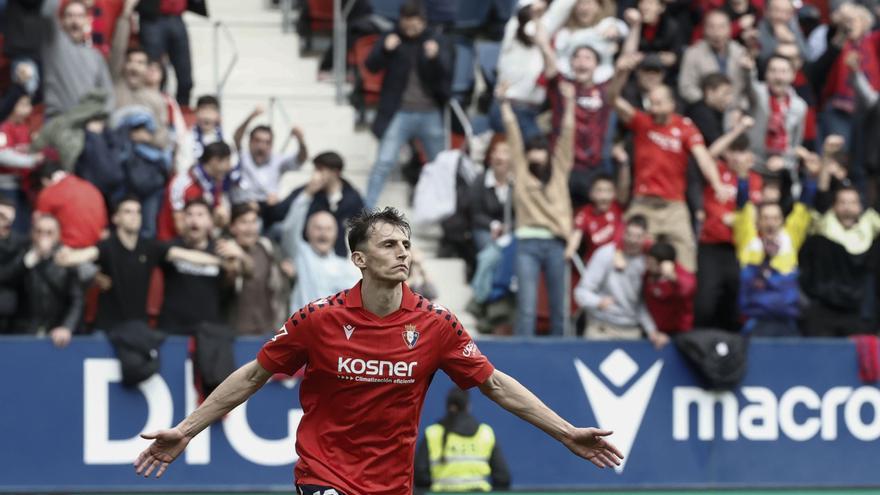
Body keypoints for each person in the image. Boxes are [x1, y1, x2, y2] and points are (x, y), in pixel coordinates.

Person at [134, 207, 624, 495]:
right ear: (360, 259)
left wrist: (565, 433)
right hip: (323, 473)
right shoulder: (319, 318)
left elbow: (495, 384)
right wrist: (185, 429)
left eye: (406, 244)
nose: (403, 252)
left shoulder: (437, 324)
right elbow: (252, 375)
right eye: (389, 245)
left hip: (392, 485)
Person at [612, 52, 732, 273]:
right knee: (626, 259)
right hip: (643, 204)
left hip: (674, 206)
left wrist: (716, 184)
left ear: (671, 103)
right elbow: (612, 100)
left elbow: (703, 157)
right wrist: (620, 73)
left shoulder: (685, 127)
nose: (652, 107)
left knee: (686, 262)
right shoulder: (642, 122)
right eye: (650, 102)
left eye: (658, 102)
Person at [53, 196, 224, 332]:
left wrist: (218, 260)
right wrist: (66, 255)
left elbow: (186, 255)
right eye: (128, 211)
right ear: (116, 218)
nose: (134, 216)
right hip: (107, 328)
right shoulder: (107, 246)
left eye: (138, 212)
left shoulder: (149, 246)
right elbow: (83, 256)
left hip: (138, 329)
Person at [498, 78, 575, 336]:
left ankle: (561, 353)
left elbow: (567, 135)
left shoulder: (559, 169)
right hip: (527, 243)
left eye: (541, 150)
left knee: (559, 308)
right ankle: (524, 356)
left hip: (556, 243)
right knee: (527, 308)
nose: (536, 155)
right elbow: (512, 133)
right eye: (532, 150)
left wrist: (571, 102)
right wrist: (505, 104)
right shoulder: (521, 170)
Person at [363, 1, 453, 208]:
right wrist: (385, 50)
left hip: (430, 112)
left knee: (440, 165)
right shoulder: (392, 37)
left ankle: (447, 210)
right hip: (400, 111)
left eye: (415, 26)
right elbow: (370, 66)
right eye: (407, 26)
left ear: (423, 22)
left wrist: (436, 58)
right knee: (383, 161)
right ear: (401, 22)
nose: (410, 31)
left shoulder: (436, 41)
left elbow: (448, 74)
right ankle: (367, 211)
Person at [733, 163, 815, 337]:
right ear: (758, 222)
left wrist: (811, 176)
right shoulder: (748, 241)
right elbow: (742, 206)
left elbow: (804, 207)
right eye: (766, 218)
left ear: (782, 221)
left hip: (786, 322)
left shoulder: (789, 239)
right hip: (754, 322)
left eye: (775, 218)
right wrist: (742, 177)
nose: (770, 223)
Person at [694, 133, 761, 332]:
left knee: (734, 303)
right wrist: (739, 128)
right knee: (705, 302)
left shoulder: (755, 180)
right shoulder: (716, 171)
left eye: (742, 152)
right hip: (711, 245)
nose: (737, 157)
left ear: (750, 156)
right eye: (733, 151)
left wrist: (737, 220)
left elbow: (750, 213)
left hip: (739, 249)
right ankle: (699, 339)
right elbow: (707, 154)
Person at [574, 215, 668, 348]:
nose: (632, 240)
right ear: (623, 233)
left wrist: (651, 330)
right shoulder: (605, 254)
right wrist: (598, 302)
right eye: (629, 234)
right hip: (601, 328)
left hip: (631, 331)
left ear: (646, 237)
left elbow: (641, 304)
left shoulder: (646, 262)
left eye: (638, 236)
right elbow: (581, 292)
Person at [158, 198, 249, 335]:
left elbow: (242, 273)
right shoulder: (171, 246)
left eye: (200, 215)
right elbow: (172, 254)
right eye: (189, 214)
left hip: (209, 331)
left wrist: (236, 263)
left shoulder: (221, 249)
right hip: (173, 329)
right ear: (183, 220)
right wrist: (219, 262)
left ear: (210, 221)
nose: (194, 220)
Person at [280, 170, 360, 312]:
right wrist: (308, 193)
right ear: (308, 232)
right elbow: (290, 227)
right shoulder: (300, 253)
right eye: (318, 228)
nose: (323, 233)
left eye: (328, 229)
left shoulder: (344, 267)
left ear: (336, 235)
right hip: (302, 330)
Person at [414, 387, 511, 493]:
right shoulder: (485, 433)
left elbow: (419, 476)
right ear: (468, 406)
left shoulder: (432, 433)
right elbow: (503, 477)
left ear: (448, 406)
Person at [279, 152, 365, 258]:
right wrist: (307, 193)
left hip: (338, 257)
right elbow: (279, 213)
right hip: (307, 255)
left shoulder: (352, 198)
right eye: (315, 169)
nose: (316, 175)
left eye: (320, 170)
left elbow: (362, 230)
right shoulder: (307, 190)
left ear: (335, 172)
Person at [109, 0, 169, 149]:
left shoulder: (156, 99)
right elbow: (118, 48)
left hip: (143, 160)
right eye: (130, 61)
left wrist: (149, 138)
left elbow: (164, 138)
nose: (134, 66)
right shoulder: (117, 85)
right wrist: (126, 15)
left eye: (140, 63)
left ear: (147, 70)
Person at [226, 202, 291, 336]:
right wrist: (240, 257)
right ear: (232, 227)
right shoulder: (226, 251)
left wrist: (289, 273)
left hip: (268, 330)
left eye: (254, 222)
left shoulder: (267, 248)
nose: (250, 228)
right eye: (243, 222)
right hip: (235, 333)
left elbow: (280, 287)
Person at [18, 214, 83, 347]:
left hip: (57, 329)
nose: (43, 236)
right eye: (39, 231)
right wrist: (27, 262)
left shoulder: (67, 259)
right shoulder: (22, 255)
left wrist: (67, 327)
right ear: (32, 233)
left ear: (58, 235)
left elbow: (77, 299)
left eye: (49, 232)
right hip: (25, 331)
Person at [41, 0, 115, 117]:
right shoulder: (54, 45)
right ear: (61, 21)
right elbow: (47, 11)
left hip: (87, 122)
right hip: (58, 121)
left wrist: (101, 120)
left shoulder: (96, 56)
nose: (74, 21)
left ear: (87, 20)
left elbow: (108, 94)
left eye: (80, 16)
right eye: (69, 16)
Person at [744, 54, 808, 175]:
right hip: (752, 163)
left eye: (783, 71)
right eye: (773, 71)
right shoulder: (758, 93)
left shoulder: (799, 106)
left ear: (793, 75)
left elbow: (796, 143)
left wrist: (784, 161)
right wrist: (748, 71)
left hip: (781, 168)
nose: (778, 77)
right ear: (766, 74)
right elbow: (748, 86)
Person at [232, 105, 308, 205]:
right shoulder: (243, 156)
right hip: (244, 205)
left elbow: (300, 159)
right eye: (257, 141)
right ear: (250, 141)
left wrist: (300, 140)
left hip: (269, 206)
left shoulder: (278, 160)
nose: (262, 146)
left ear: (272, 145)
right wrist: (251, 116)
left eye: (267, 142)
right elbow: (237, 137)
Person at [157, 141, 233, 241]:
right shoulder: (182, 183)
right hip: (172, 242)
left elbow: (214, 220)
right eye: (227, 161)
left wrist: (221, 220)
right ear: (214, 161)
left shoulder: (214, 183)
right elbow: (179, 226)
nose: (229, 167)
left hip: (199, 242)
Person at [678, 10, 750, 107]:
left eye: (721, 27)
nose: (717, 33)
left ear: (729, 29)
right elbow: (686, 87)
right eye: (711, 27)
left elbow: (746, 87)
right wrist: (709, 101)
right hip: (704, 107)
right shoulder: (692, 53)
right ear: (704, 30)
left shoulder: (740, 52)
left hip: (735, 107)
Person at [34, 161, 108, 249]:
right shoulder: (91, 187)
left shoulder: (48, 193)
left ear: (44, 181)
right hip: (96, 247)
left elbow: (39, 226)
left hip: (68, 248)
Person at [137, 0, 194, 107]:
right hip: (153, 18)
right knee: (153, 77)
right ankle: (155, 111)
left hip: (177, 17)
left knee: (186, 80)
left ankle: (181, 115)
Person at [469, 134, 515, 253]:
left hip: (513, 229)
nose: (499, 156)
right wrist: (493, 225)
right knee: (491, 253)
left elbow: (523, 213)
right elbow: (475, 214)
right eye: (495, 152)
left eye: (505, 152)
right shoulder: (480, 181)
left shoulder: (518, 183)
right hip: (485, 228)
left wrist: (508, 227)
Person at [564, 173, 625, 263]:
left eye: (608, 191)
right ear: (591, 193)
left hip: (618, 260)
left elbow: (624, 186)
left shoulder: (618, 207)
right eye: (599, 191)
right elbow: (576, 235)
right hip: (594, 263)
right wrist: (570, 249)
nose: (604, 196)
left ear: (614, 193)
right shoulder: (585, 213)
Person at [642, 240, 696, 334]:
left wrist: (673, 277)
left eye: (652, 263)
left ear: (664, 264)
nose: (648, 266)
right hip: (653, 331)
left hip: (678, 333)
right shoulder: (648, 274)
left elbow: (688, 289)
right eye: (648, 261)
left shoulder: (681, 275)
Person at [0, 198, 28, 332]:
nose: (6, 223)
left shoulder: (21, 243)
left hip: (16, 315)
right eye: (1, 217)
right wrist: (23, 263)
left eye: (10, 219)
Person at [176, 95, 224, 173]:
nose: (206, 117)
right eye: (203, 111)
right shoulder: (187, 138)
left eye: (211, 111)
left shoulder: (226, 138)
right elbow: (182, 169)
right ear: (196, 113)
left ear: (218, 115)